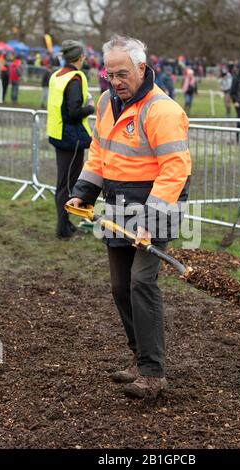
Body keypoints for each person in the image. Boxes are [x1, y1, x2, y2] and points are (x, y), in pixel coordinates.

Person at [68, 34, 191, 398]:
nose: (115, 82)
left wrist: (150, 224)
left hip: (156, 206)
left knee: (141, 281)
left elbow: (174, 170)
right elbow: (98, 152)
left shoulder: (162, 110)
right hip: (117, 205)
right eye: (109, 75)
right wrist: (83, 192)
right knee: (120, 286)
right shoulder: (107, 102)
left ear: (141, 67)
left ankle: (153, 373)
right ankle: (139, 360)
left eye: (122, 74)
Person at [47, 40, 95, 239]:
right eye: (83, 56)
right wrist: (91, 107)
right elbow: (74, 112)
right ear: (79, 57)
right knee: (67, 185)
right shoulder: (75, 79)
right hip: (70, 138)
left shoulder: (57, 75)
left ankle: (65, 224)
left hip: (58, 135)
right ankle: (63, 230)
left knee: (64, 184)